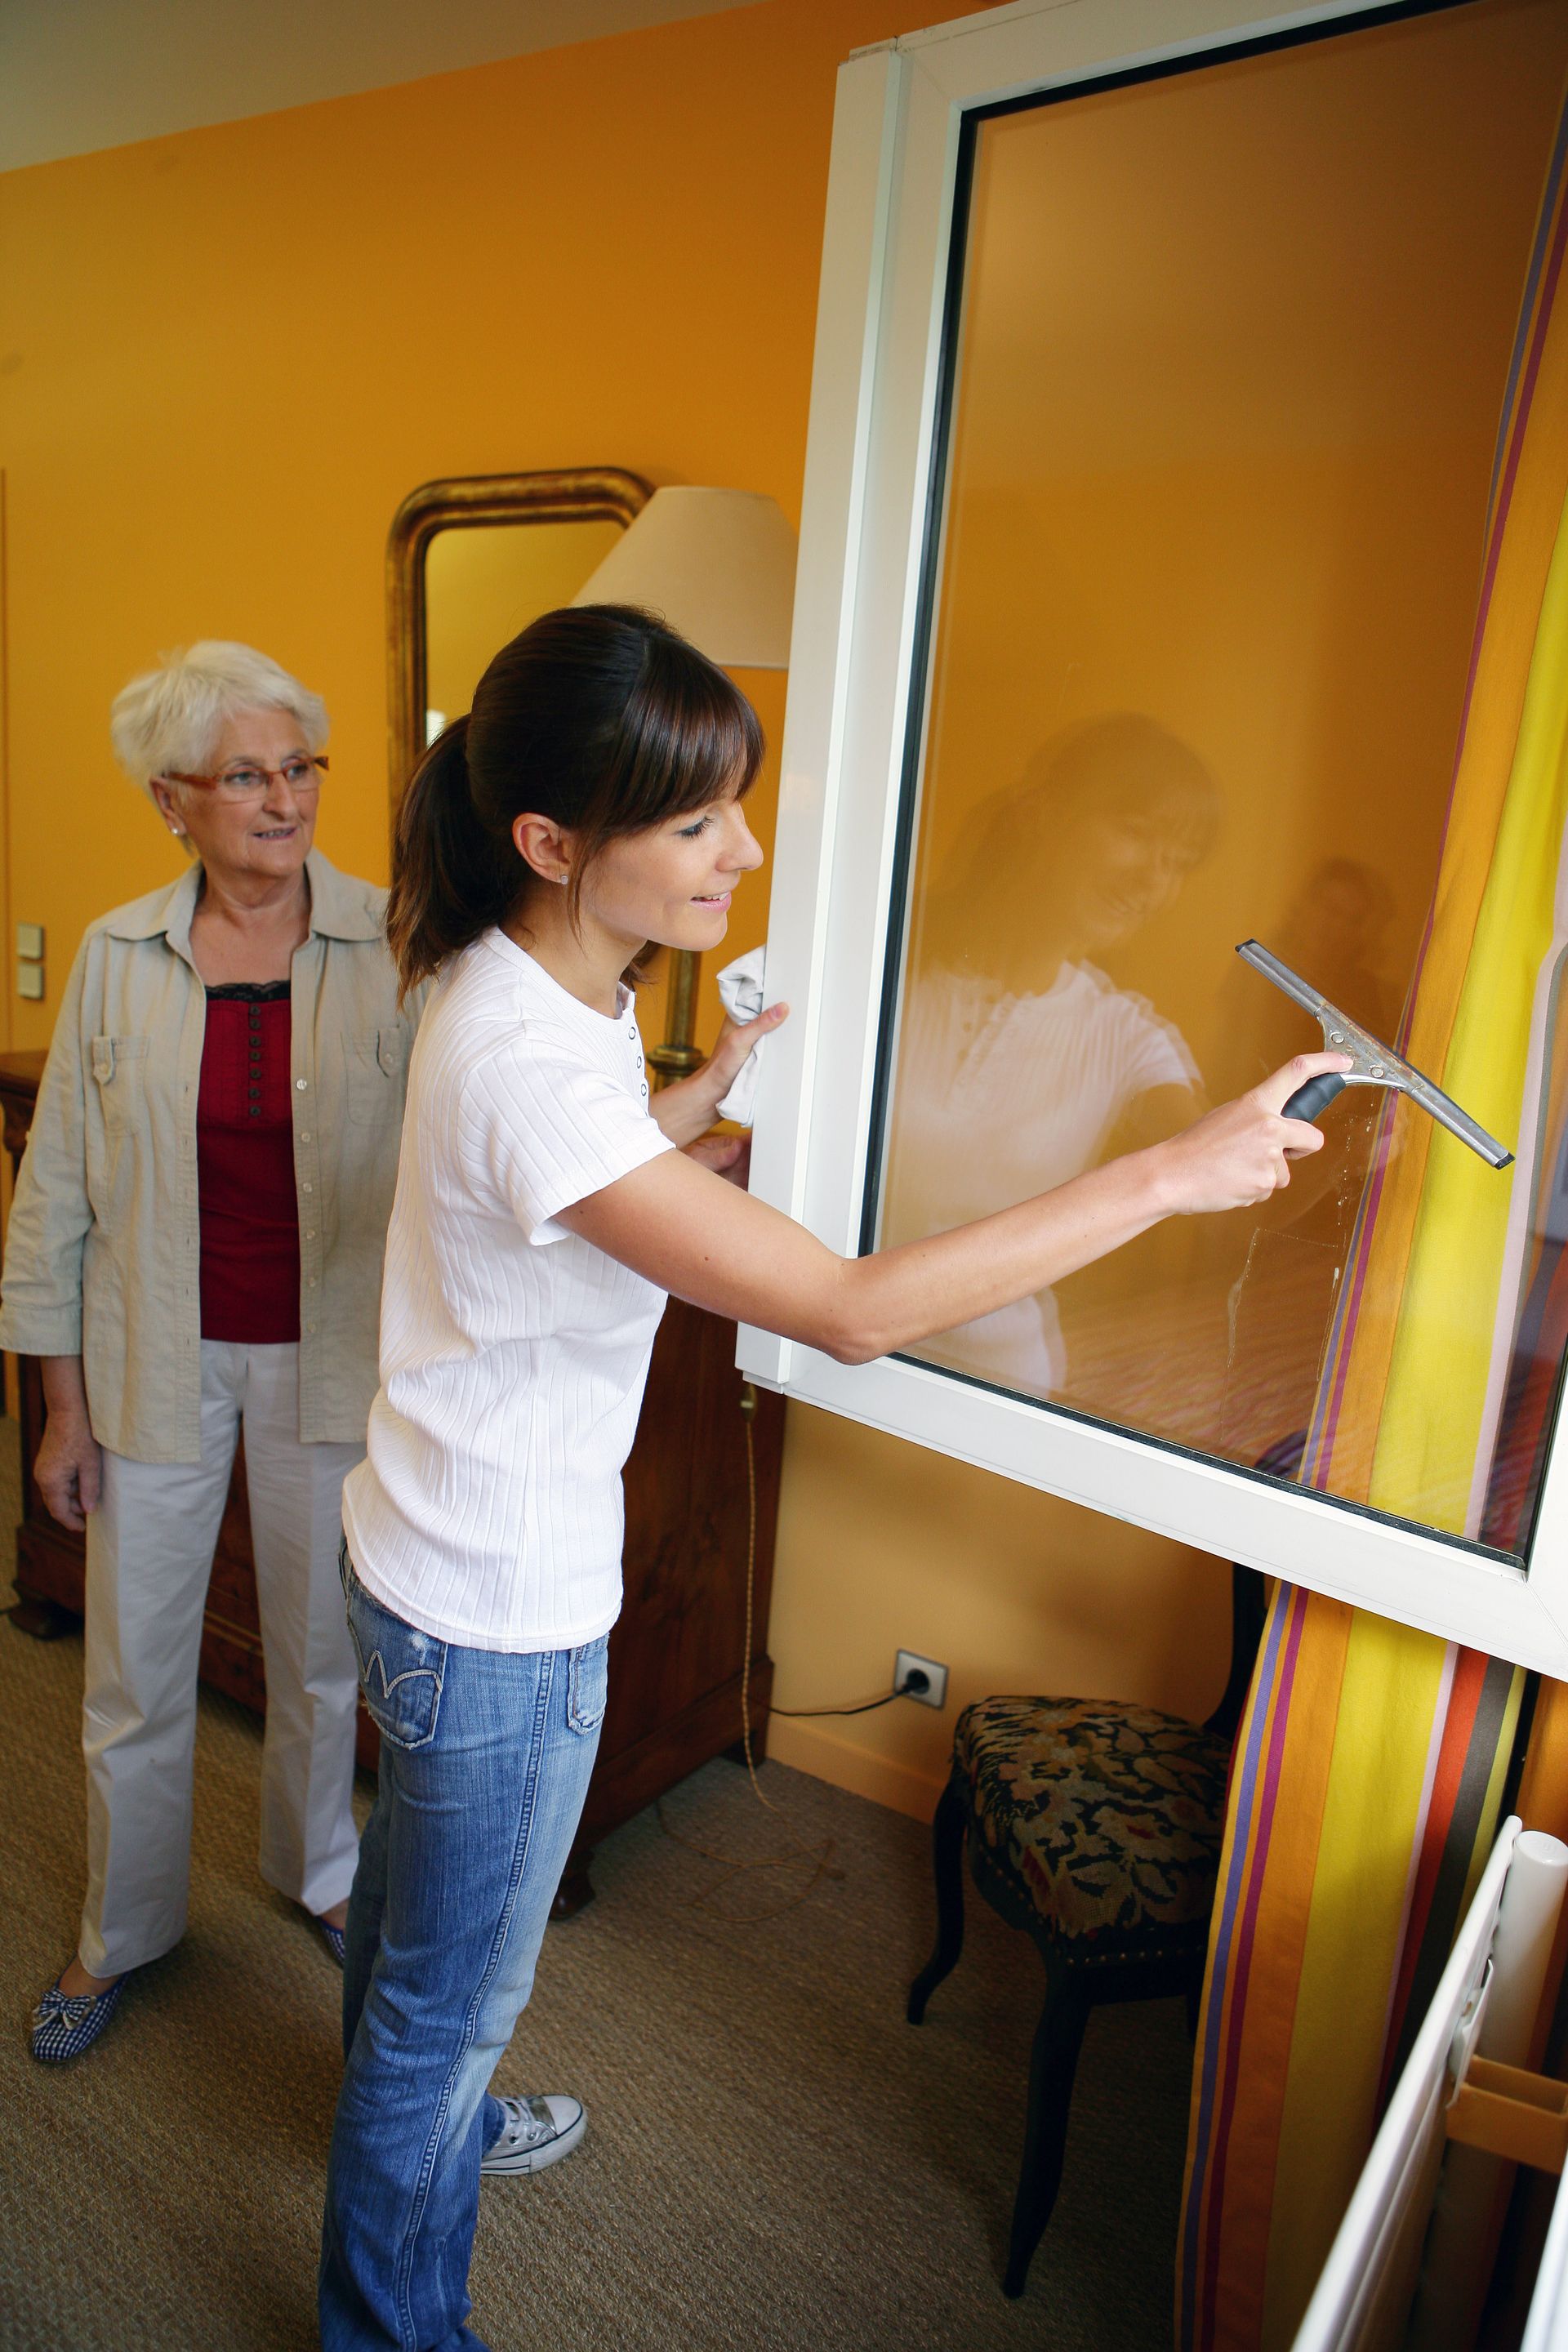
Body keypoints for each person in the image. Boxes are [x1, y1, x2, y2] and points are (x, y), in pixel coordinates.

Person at [318, 603, 1343, 2351]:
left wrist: (694, 1103)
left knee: (416, 1949)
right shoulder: (526, 1056)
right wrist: (1172, 1175)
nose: (750, 847)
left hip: (424, 1550)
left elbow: (565, 1173)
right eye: (700, 820)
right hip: (493, 1615)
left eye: (742, 802)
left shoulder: (522, 988)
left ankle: (423, 2137)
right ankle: (389, 2319)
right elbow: (857, 1314)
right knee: (448, 2001)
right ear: (555, 843)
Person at [5, 643, 415, 2062]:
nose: (286, 797)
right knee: (134, 1670)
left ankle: (317, 1877)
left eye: (301, 766)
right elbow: (52, 1198)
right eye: (249, 774)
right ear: (174, 800)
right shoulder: (119, 960)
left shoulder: (397, 943)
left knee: (316, 1658)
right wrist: (59, 1417)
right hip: (151, 1367)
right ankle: (121, 1932)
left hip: (332, 1366)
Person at [882, 715, 1220, 1397]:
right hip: (822, 1364)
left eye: (1179, 862)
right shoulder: (885, 966)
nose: (1153, 881)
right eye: (1138, 834)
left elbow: (1218, 1167)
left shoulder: (1127, 1036)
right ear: (1044, 813)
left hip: (1002, 1397)